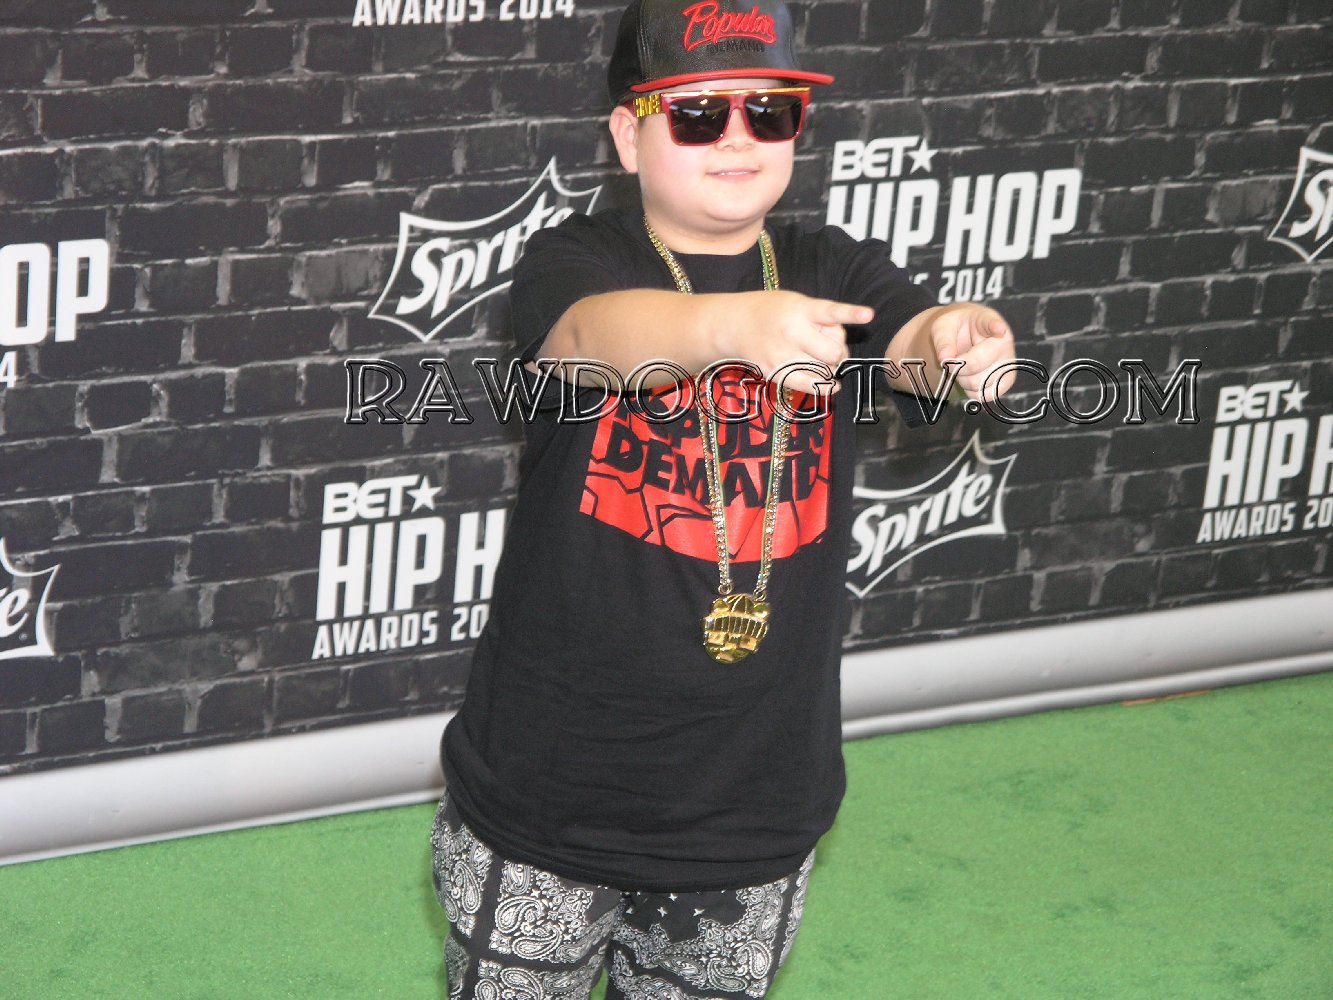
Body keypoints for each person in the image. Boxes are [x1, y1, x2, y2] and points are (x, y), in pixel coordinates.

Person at [430, 2, 1017, 997]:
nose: (738, 137)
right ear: (628, 136)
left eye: (769, 111)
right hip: (549, 786)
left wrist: (958, 340)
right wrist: (730, 329)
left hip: (754, 797)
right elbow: (586, 340)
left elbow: (914, 344)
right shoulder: (575, 258)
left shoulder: (829, 265)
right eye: (698, 114)